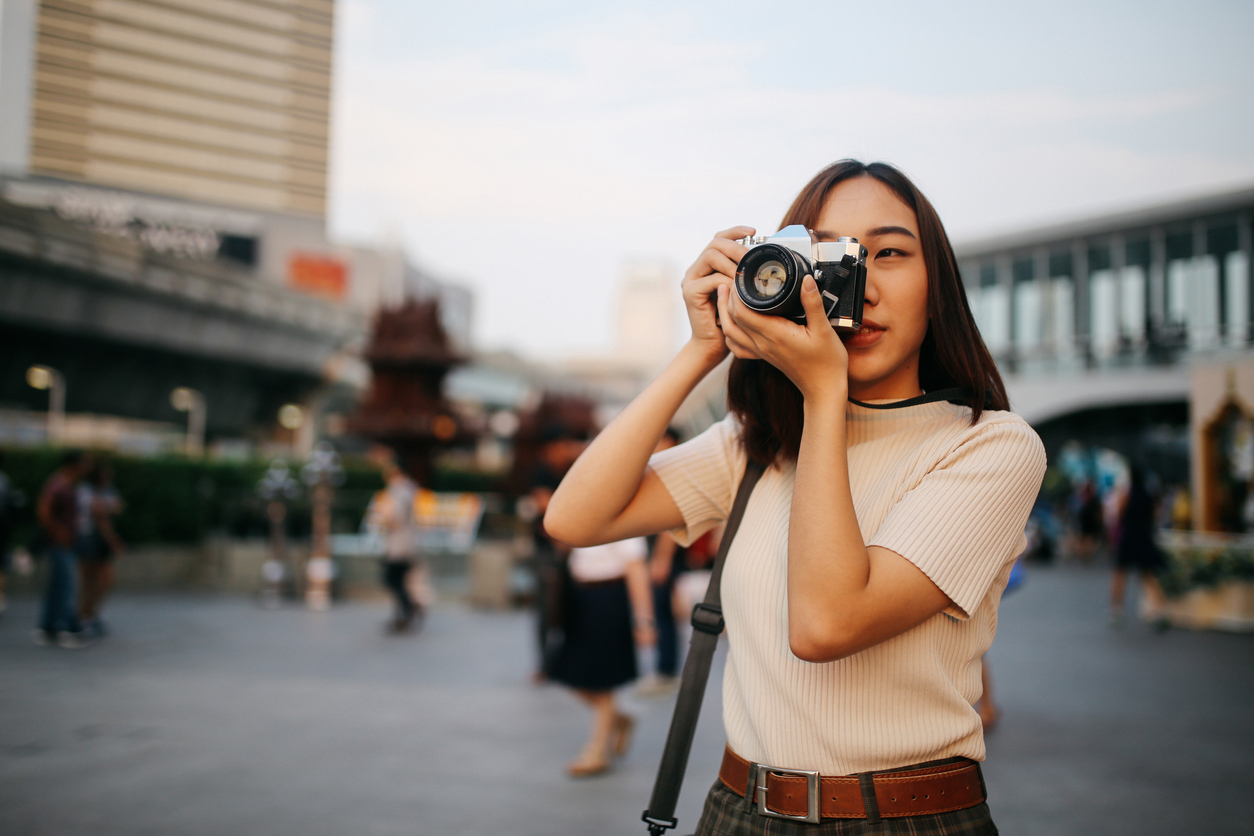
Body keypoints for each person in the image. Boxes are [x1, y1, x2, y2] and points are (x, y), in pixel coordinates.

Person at [545, 160, 1045, 834]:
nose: (861, 283)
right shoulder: (756, 445)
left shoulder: (990, 447)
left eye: (889, 253)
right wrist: (703, 347)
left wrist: (823, 393)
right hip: (738, 809)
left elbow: (826, 624)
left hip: (904, 821)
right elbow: (575, 517)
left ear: (939, 285)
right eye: (832, 256)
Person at [546, 536, 655, 777]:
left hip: (608, 599)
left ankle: (597, 751)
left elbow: (636, 568)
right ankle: (618, 719)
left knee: (602, 679)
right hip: (580, 597)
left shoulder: (627, 526)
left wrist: (645, 620)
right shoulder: (590, 514)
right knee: (566, 671)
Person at [636, 428, 685, 697]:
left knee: (663, 613)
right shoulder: (664, 472)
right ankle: (665, 669)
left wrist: (661, 560)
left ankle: (666, 671)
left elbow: (671, 524)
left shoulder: (672, 473)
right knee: (662, 612)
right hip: (659, 558)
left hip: (664, 559)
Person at [34, 450, 95, 648]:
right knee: (66, 585)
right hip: (60, 544)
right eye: (84, 462)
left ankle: (49, 627)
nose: (87, 467)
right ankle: (63, 628)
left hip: (65, 542)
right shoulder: (59, 484)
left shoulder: (67, 484)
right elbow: (44, 510)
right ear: (74, 464)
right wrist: (59, 532)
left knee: (58, 585)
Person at [365, 446, 424, 634]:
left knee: (392, 579)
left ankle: (408, 610)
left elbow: (395, 518)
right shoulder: (409, 489)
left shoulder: (399, 491)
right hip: (407, 542)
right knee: (398, 580)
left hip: (399, 543)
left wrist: (381, 519)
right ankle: (405, 612)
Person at [1109, 466, 1168, 629]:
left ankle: (1116, 610)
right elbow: (1153, 517)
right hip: (1143, 536)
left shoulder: (1127, 495)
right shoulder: (1148, 495)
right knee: (1148, 574)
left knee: (1120, 574)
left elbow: (1119, 515)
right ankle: (1160, 610)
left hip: (1129, 537)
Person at [75, 462, 125, 636]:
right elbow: (99, 513)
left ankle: (88, 614)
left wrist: (106, 506)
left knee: (102, 580)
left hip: (97, 540)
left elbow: (116, 506)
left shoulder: (106, 489)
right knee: (89, 580)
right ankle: (83, 615)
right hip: (88, 538)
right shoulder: (86, 490)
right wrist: (113, 540)